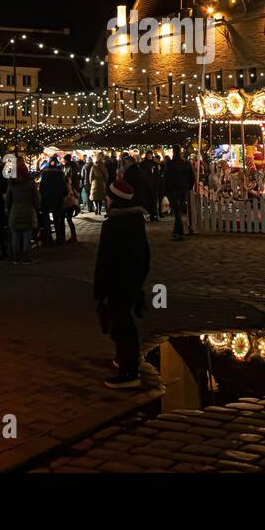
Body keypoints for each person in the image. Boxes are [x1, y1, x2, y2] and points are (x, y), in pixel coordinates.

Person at [93, 178, 151, 388]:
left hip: (116, 282)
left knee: (120, 325)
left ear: (114, 200)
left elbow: (104, 260)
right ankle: (126, 359)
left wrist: (98, 291)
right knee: (124, 322)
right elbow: (145, 256)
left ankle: (129, 372)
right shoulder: (136, 222)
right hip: (131, 281)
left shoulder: (113, 225)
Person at [6, 159, 39, 265]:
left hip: (15, 211)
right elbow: (36, 198)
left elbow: (8, 199)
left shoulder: (12, 183)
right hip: (28, 211)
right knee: (27, 236)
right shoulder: (30, 182)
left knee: (15, 235)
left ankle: (16, 258)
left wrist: (8, 209)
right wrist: (37, 209)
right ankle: (26, 258)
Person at [164, 146, 196, 240]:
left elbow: (166, 177)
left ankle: (179, 231)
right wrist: (189, 186)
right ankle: (177, 230)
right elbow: (192, 176)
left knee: (177, 211)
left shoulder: (170, 163)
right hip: (183, 189)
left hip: (173, 189)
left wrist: (166, 189)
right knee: (178, 210)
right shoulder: (186, 163)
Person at [39, 157, 69, 245]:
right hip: (57, 201)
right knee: (57, 220)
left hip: (46, 201)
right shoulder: (60, 175)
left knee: (46, 220)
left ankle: (48, 239)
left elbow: (41, 189)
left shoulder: (44, 175)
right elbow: (65, 190)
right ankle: (59, 238)